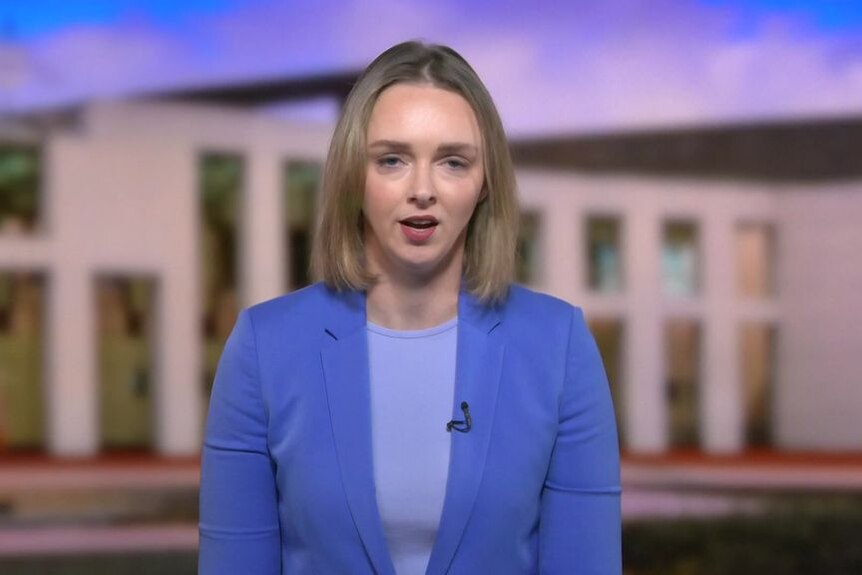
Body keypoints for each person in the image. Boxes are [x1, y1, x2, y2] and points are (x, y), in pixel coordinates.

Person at [198, 40, 621, 575]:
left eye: (452, 161)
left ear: (485, 181)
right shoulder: (264, 349)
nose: (422, 190)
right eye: (392, 160)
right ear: (355, 175)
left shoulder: (558, 347)